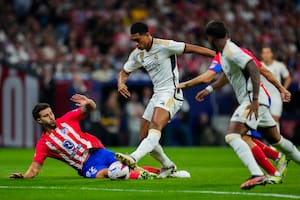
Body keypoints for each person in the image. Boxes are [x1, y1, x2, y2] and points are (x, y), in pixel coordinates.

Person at [177, 20, 300, 189]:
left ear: (210, 38)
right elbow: (228, 76)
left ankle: (257, 174)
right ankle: (277, 162)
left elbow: (255, 69)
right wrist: (210, 89)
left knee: (232, 135)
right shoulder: (226, 53)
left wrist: (256, 100)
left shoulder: (231, 50)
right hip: (257, 100)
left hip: (253, 100)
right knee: (277, 140)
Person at [115, 22, 216, 177]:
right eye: (133, 40)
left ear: (148, 35)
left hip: (172, 93)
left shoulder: (165, 45)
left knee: (155, 126)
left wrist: (218, 56)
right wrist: (121, 82)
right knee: (144, 137)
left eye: (138, 39)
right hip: (157, 95)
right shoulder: (137, 54)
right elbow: (124, 71)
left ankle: (133, 157)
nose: (136, 43)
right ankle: (168, 166)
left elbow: (192, 48)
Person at [8, 94, 156, 180]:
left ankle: (161, 172)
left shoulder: (66, 119)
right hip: (86, 166)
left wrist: (89, 102)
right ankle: (134, 173)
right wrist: (23, 176)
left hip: (97, 152)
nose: (51, 117)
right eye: (46, 116)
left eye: (51, 113)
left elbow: (91, 108)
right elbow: (34, 169)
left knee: (132, 167)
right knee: (108, 174)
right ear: (39, 120)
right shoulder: (44, 144)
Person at [260, 47, 292, 126]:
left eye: (268, 52)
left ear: (272, 54)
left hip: (276, 96)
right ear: (261, 55)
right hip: (262, 96)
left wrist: (283, 90)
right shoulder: (258, 65)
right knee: (262, 120)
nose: (266, 55)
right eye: (264, 53)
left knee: (275, 118)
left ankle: (276, 138)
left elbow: (288, 77)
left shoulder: (279, 65)